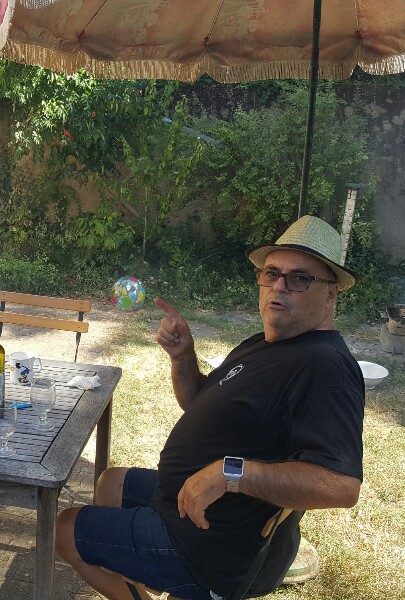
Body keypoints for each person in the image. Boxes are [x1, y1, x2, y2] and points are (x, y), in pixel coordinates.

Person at [55, 216, 365, 599]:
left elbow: (341, 486)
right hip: (189, 505)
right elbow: (197, 404)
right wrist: (183, 358)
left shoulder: (326, 368)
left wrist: (230, 472)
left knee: (65, 529)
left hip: (210, 545)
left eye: (300, 278)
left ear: (331, 293)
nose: (279, 286)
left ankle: (176, 583)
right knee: (110, 482)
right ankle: (145, 579)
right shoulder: (267, 343)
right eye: (272, 273)